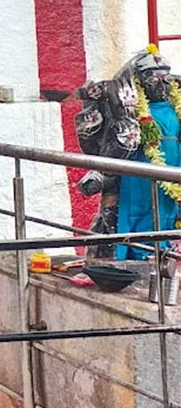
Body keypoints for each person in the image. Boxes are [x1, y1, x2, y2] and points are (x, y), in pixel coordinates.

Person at [76, 46, 181, 259]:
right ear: (141, 82)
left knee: (167, 209)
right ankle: (139, 252)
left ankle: (164, 249)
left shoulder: (175, 106)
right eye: (153, 81)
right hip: (141, 167)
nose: (161, 86)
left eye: (165, 80)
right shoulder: (132, 108)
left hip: (173, 164)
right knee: (141, 209)